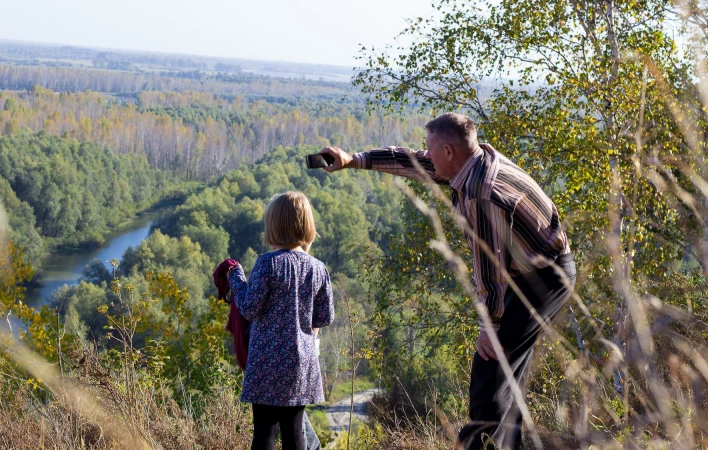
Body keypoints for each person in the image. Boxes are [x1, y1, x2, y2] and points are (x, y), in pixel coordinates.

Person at [321, 113, 576, 449]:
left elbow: (491, 268)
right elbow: (414, 161)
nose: (426, 154)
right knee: (506, 376)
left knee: (491, 367)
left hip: (543, 279)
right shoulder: (474, 161)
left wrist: (491, 324)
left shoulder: (480, 194)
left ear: (449, 151)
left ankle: (477, 444)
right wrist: (354, 160)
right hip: (532, 271)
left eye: (431, 148)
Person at [228, 191, 334, 450]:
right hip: (301, 364)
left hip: (267, 363)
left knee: (264, 433)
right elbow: (324, 317)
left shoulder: (267, 264)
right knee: (295, 432)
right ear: (307, 225)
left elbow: (249, 307)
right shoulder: (319, 268)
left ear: (273, 226)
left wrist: (236, 278)